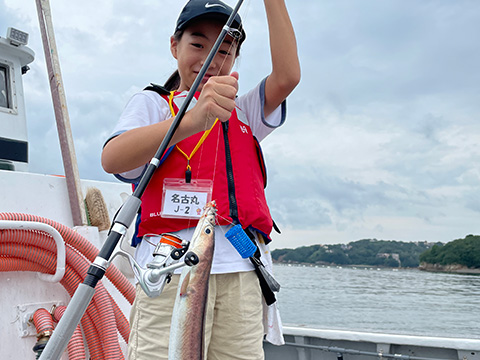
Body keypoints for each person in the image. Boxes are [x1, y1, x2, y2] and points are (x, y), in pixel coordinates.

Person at [102, 0, 300, 358]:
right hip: (169, 271)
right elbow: (113, 158)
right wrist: (193, 119)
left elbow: (287, 77)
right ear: (174, 45)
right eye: (197, 44)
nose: (210, 58)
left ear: (236, 59)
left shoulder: (242, 110)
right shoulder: (153, 105)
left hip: (240, 274)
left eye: (224, 50)